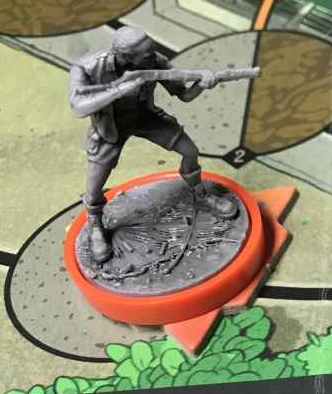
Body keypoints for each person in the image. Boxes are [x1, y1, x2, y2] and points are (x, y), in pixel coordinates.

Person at [68, 26, 235, 263]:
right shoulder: (86, 68)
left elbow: (185, 95)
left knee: (190, 151)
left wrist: (203, 83)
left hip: (145, 117)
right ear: (125, 56)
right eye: (146, 55)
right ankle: (96, 224)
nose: (152, 57)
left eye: (152, 51)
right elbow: (78, 107)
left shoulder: (155, 61)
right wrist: (120, 89)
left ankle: (201, 195)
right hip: (109, 129)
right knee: (94, 187)